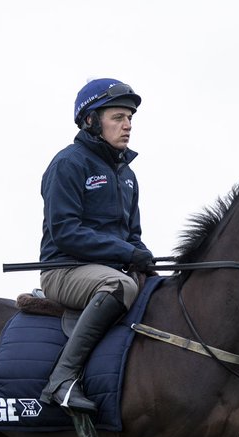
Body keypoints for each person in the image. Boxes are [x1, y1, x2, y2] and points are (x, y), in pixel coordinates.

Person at [36, 78, 154, 413]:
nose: (128, 125)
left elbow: (132, 235)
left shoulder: (127, 175)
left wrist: (143, 258)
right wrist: (127, 253)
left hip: (109, 269)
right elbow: (65, 232)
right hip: (64, 270)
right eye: (118, 117)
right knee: (120, 286)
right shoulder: (68, 164)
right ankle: (62, 379)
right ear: (91, 121)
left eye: (129, 118)